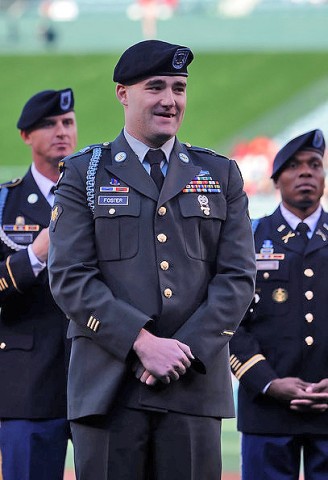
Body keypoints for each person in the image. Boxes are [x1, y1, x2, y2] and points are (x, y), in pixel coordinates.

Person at [48, 40, 256, 480]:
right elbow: (69, 277)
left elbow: (237, 279)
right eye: (156, 86)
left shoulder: (218, 174)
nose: (170, 100)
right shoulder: (84, 173)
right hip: (109, 388)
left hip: (193, 388)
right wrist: (142, 343)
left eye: (179, 88)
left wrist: (182, 352)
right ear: (123, 93)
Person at [229, 129, 328, 480]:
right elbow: (229, 322)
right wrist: (268, 383)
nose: (306, 173)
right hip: (266, 409)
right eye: (294, 166)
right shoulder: (247, 240)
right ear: (275, 179)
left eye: (314, 165)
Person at [0, 88, 78, 480]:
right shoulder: (3, 203)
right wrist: (35, 254)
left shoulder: (103, 199)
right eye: (48, 124)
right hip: (27, 385)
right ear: (26, 136)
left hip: (96, 379)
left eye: (67, 122)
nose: (61, 131)